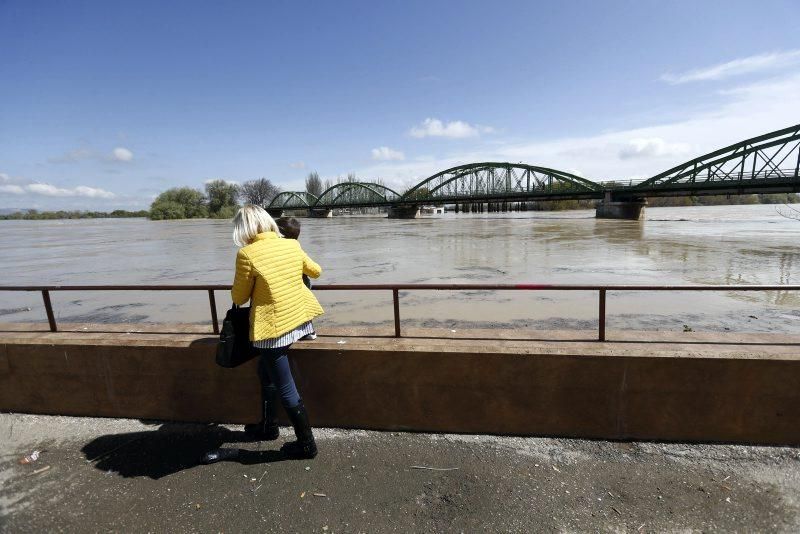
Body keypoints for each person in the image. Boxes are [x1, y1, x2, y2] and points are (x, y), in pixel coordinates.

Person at [202, 205, 324, 463]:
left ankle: (307, 446)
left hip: (273, 330)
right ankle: (268, 426)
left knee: (286, 386)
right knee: (264, 371)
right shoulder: (290, 244)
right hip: (298, 320)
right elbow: (316, 271)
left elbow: (239, 296)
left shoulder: (247, 253)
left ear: (243, 229)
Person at [276, 217, 317, 340]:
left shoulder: (271, 250)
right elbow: (315, 271)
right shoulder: (297, 249)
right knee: (303, 300)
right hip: (298, 294)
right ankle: (307, 331)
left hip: (280, 297)